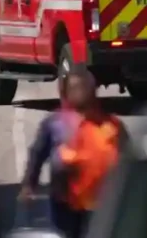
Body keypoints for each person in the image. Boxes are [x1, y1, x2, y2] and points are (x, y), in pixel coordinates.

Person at [58, 69, 127, 238]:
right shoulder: (59, 129)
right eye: (75, 88)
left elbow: (130, 163)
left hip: (109, 207)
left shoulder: (113, 127)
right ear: (66, 94)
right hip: (77, 211)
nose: (80, 92)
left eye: (84, 87)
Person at [20, 75, 81, 237]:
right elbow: (37, 153)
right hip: (64, 199)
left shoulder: (106, 125)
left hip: (96, 200)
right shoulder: (54, 123)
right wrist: (29, 184)